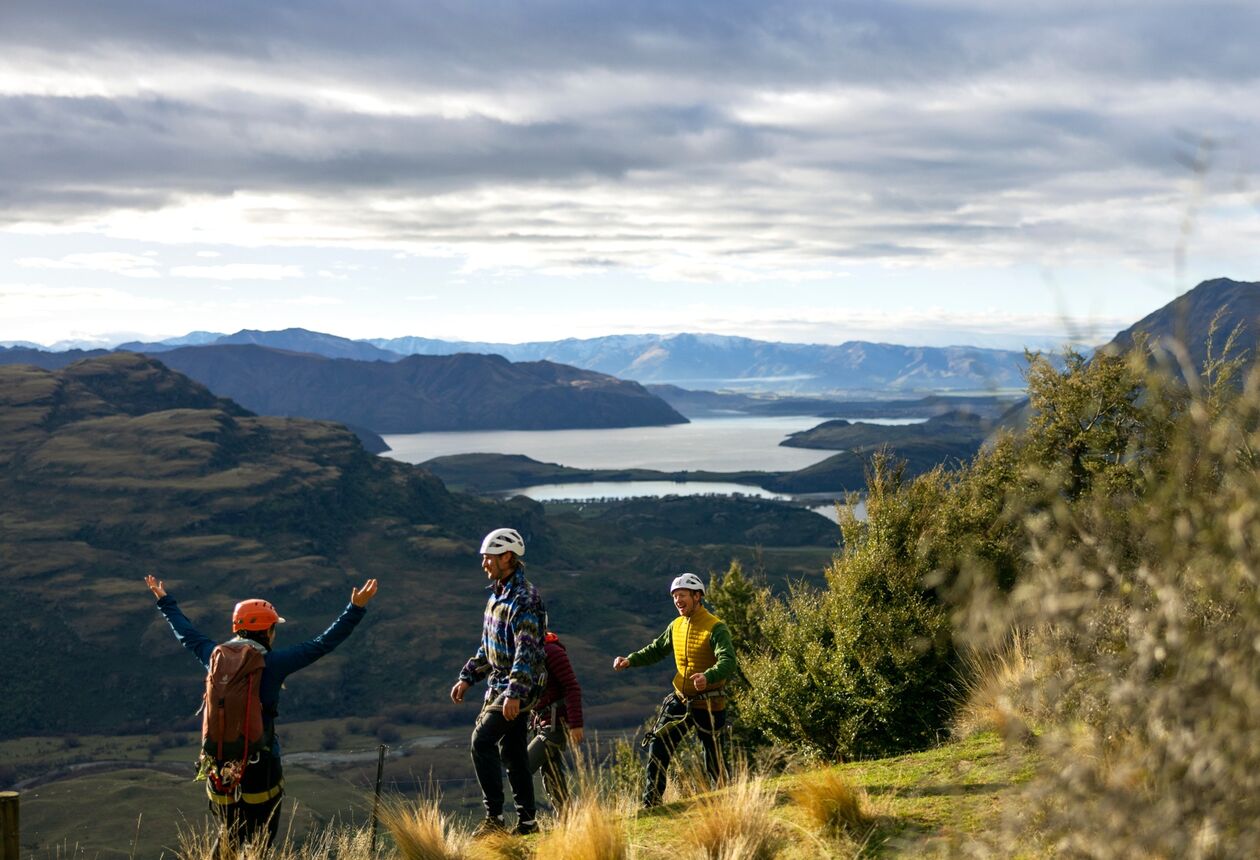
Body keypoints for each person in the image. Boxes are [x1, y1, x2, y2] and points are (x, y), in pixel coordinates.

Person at [145, 574, 378, 851]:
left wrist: (165, 601)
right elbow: (322, 644)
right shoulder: (273, 662)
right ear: (268, 631)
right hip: (261, 764)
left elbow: (187, 634)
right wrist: (355, 608)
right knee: (260, 843)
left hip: (219, 767)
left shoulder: (214, 656)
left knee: (228, 836)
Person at [450, 528, 548, 836]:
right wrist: (468, 677)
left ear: (507, 557)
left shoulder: (525, 599)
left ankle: (494, 819)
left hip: (517, 688)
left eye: (488, 558)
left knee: (481, 741)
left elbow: (526, 651)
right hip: (499, 686)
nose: (484, 564)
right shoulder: (496, 596)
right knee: (514, 753)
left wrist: (514, 693)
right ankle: (528, 823)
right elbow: (489, 646)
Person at [612, 572, 737, 809]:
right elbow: (657, 649)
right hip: (680, 699)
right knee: (658, 744)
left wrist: (708, 676)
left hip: (709, 702)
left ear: (697, 596)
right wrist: (630, 660)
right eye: (675, 596)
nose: (678, 601)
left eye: (683, 595)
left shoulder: (716, 627)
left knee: (714, 757)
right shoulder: (676, 626)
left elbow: (728, 661)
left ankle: (725, 803)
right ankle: (651, 804)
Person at [530, 630, 585, 813]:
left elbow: (571, 687)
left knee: (523, 768)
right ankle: (567, 817)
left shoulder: (552, 651)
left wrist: (576, 724)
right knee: (551, 772)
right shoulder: (527, 652)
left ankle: (526, 822)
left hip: (555, 724)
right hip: (542, 723)